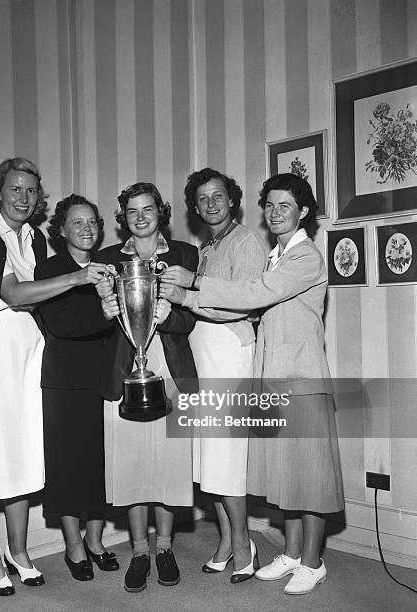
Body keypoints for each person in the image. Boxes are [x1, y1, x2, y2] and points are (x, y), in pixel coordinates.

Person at [162, 173, 344, 596]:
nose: (276, 213)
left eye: (286, 206)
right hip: (274, 374)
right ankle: (293, 553)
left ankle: (314, 562)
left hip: (302, 375)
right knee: (289, 474)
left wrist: (191, 287)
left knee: (310, 477)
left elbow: (256, 292)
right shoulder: (277, 256)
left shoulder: (306, 258)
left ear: (303, 213)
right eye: (271, 205)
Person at [0, 158, 110, 596]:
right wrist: (78, 276)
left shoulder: (37, 239)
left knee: (22, 455)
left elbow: (53, 307)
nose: (23, 198)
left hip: (29, 357)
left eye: (30, 192)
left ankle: (19, 551)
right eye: (15, 190)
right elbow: (15, 294)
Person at [160, 168, 267, 584]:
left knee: (226, 458)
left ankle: (243, 544)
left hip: (230, 353)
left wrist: (187, 291)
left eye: (217, 196)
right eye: (202, 198)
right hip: (204, 353)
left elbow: (242, 304)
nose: (210, 204)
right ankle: (225, 540)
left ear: (232, 199)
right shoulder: (209, 246)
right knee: (209, 458)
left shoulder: (245, 242)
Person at [97, 182, 198, 593]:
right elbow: (96, 322)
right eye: (132, 211)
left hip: (169, 367)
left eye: (148, 209)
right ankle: (139, 550)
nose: (140, 217)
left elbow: (191, 319)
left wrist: (170, 313)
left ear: (161, 211)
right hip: (126, 369)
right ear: (123, 217)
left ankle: (166, 548)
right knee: (132, 461)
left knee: (170, 461)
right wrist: (104, 312)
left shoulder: (185, 255)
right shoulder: (106, 261)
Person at [34, 195, 119, 581]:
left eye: (92, 222)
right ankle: (73, 546)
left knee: (99, 463)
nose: (86, 229)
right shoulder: (50, 269)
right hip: (65, 381)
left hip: (104, 377)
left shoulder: (112, 267)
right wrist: (104, 313)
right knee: (68, 466)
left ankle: (96, 540)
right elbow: (62, 326)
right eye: (77, 223)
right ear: (61, 231)